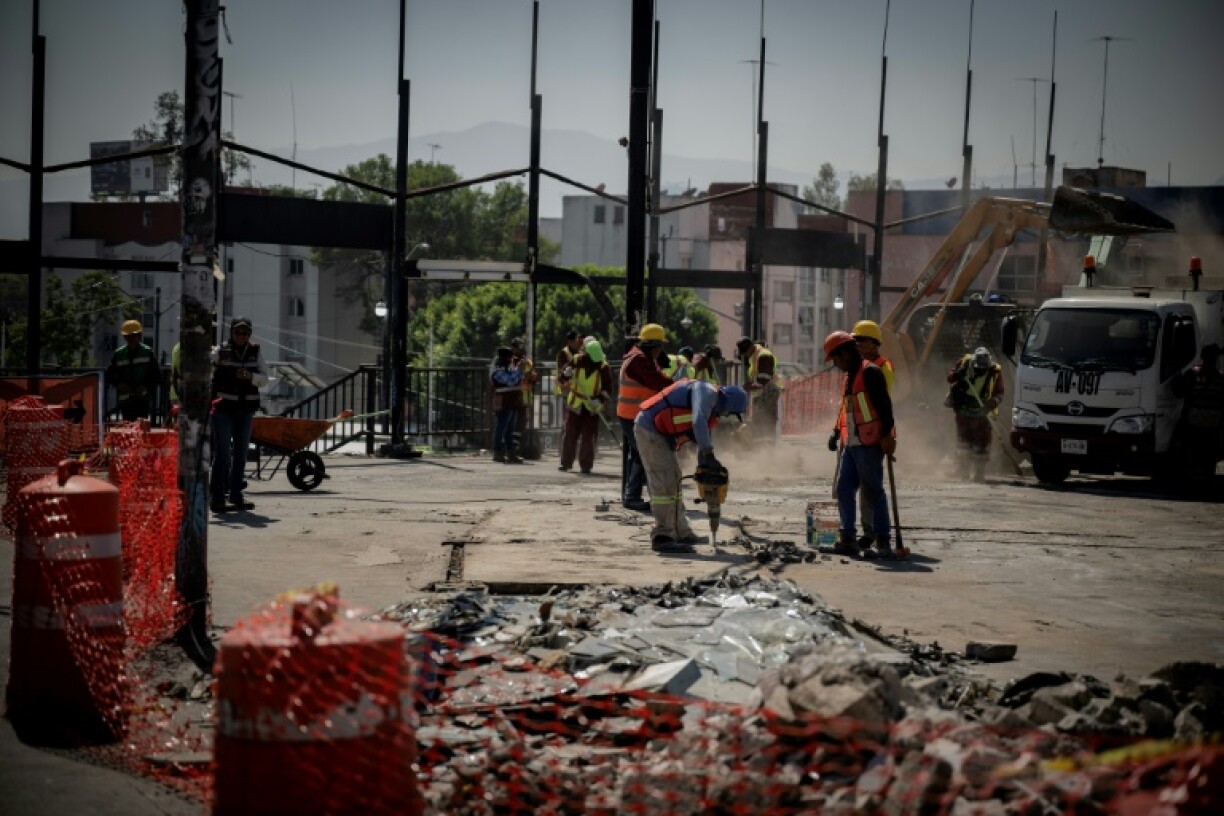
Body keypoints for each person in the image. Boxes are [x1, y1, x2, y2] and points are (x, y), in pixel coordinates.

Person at [635, 380, 749, 553]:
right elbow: (697, 421)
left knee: (674, 479)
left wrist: (706, 461)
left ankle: (681, 532)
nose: (726, 415)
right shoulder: (707, 392)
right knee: (664, 483)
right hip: (649, 429)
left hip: (659, 433)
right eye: (729, 412)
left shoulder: (710, 411)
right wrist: (708, 453)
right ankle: (662, 536)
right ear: (727, 401)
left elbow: (703, 441)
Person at [825, 331, 899, 559]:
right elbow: (847, 408)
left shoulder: (871, 372)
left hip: (869, 443)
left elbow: (885, 408)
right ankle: (848, 537)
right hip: (852, 443)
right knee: (844, 489)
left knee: (873, 491)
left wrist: (887, 436)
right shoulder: (850, 376)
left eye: (835, 359)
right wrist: (836, 432)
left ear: (846, 353)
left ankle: (883, 540)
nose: (835, 364)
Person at [210, 317, 268, 513]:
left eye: (245, 333)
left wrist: (250, 376)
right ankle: (218, 498)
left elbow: (264, 378)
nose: (241, 336)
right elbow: (209, 367)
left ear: (249, 334)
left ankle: (236, 495)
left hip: (245, 411)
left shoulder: (256, 351)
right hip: (224, 410)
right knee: (222, 455)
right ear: (232, 333)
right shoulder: (220, 351)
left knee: (241, 455)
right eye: (238, 332)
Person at [616, 323, 674, 512]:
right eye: (660, 347)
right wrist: (678, 386)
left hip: (634, 414)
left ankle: (633, 495)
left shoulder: (641, 359)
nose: (660, 351)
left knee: (638, 454)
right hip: (632, 415)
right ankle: (632, 496)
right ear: (654, 346)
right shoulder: (639, 361)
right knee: (643, 454)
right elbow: (657, 382)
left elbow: (658, 377)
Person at [849, 320, 895, 548]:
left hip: (873, 433)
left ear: (874, 343)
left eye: (861, 340)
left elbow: (883, 402)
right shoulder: (857, 366)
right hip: (857, 433)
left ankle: (876, 532)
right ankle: (869, 531)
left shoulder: (881, 367)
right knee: (857, 487)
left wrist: (885, 434)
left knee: (871, 487)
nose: (857, 344)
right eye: (855, 340)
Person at [945, 346, 1004, 482]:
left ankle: (979, 474)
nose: (980, 370)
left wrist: (990, 404)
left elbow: (1000, 394)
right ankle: (964, 474)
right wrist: (957, 374)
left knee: (981, 445)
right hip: (964, 410)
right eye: (978, 368)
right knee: (964, 443)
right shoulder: (964, 363)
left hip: (983, 412)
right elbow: (950, 378)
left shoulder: (995, 371)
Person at [559, 338, 612, 474]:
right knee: (570, 433)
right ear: (586, 354)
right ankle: (566, 463)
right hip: (576, 403)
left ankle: (586, 465)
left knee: (588, 437)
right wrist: (566, 374)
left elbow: (608, 389)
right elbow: (562, 377)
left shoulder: (603, 367)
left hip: (592, 407)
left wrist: (599, 399)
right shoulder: (576, 361)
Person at [1177, 343, 1223, 477]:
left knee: (1195, 455)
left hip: (1194, 425)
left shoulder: (1192, 375)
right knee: (1209, 457)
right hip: (1212, 427)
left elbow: (1178, 392)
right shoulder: (1220, 379)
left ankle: (1195, 478)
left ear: (1202, 357)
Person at [106, 319, 162, 422]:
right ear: (124, 337)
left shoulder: (147, 352)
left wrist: (145, 386)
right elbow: (109, 375)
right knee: (127, 429)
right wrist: (119, 384)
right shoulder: (119, 354)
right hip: (125, 400)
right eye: (128, 336)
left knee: (141, 428)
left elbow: (157, 375)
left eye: (133, 335)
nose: (130, 338)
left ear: (139, 335)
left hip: (142, 399)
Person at [736, 336, 781, 440]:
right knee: (758, 421)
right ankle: (761, 445)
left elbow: (763, 379)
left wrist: (747, 387)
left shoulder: (764, 355)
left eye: (745, 351)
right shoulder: (754, 356)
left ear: (751, 346)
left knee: (765, 420)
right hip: (762, 392)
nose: (745, 354)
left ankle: (767, 446)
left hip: (768, 391)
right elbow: (757, 377)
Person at [490, 345, 525, 464]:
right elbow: (510, 381)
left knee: (510, 429)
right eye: (510, 358)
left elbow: (516, 378)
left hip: (512, 402)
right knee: (501, 428)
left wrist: (521, 371)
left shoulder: (509, 368)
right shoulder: (498, 370)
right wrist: (519, 370)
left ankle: (511, 453)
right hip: (503, 402)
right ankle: (498, 452)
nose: (512, 360)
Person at [509, 337, 538, 456]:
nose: (521, 350)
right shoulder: (509, 360)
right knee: (510, 422)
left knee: (521, 423)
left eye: (522, 347)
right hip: (512, 396)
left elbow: (534, 377)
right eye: (518, 347)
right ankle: (509, 447)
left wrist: (531, 377)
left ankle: (516, 448)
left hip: (523, 397)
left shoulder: (527, 362)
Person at [554, 329, 584, 399]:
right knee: (566, 409)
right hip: (564, 389)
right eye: (577, 340)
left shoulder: (579, 352)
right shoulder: (563, 353)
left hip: (575, 390)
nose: (578, 342)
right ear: (571, 342)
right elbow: (563, 370)